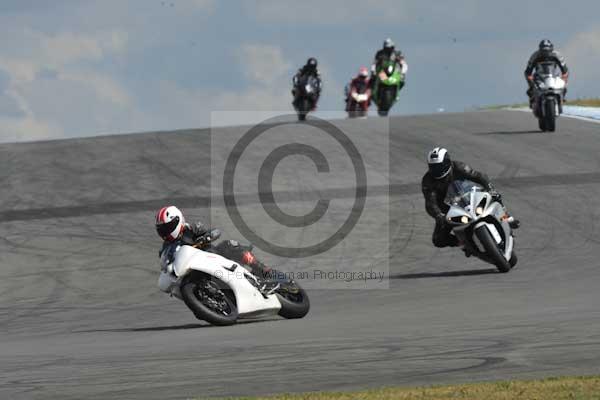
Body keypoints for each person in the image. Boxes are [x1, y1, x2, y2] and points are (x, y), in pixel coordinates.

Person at [421, 147, 520, 250]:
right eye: (433, 167)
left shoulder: (459, 167)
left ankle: (505, 216)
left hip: (469, 197)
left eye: (439, 166)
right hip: (449, 210)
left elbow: (480, 177)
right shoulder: (428, 181)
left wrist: (491, 190)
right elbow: (430, 203)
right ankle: (463, 243)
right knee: (438, 240)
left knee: (495, 197)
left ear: (447, 162)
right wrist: (439, 215)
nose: (437, 170)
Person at [155, 206, 275, 285]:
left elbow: (216, 231)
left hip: (215, 257)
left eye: (168, 227)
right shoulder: (167, 248)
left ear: (178, 220)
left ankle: (263, 269)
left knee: (229, 244)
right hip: (195, 271)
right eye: (162, 229)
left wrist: (207, 237)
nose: (165, 231)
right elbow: (165, 265)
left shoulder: (191, 229)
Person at [524, 39, 569, 108]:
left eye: (547, 51)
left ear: (551, 49)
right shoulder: (535, 56)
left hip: (553, 76)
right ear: (540, 50)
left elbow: (565, 71)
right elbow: (528, 71)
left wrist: (564, 80)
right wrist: (530, 81)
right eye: (544, 51)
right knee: (530, 89)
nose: (546, 53)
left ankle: (562, 98)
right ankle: (533, 99)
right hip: (539, 76)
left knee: (564, 86)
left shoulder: (557, 55)